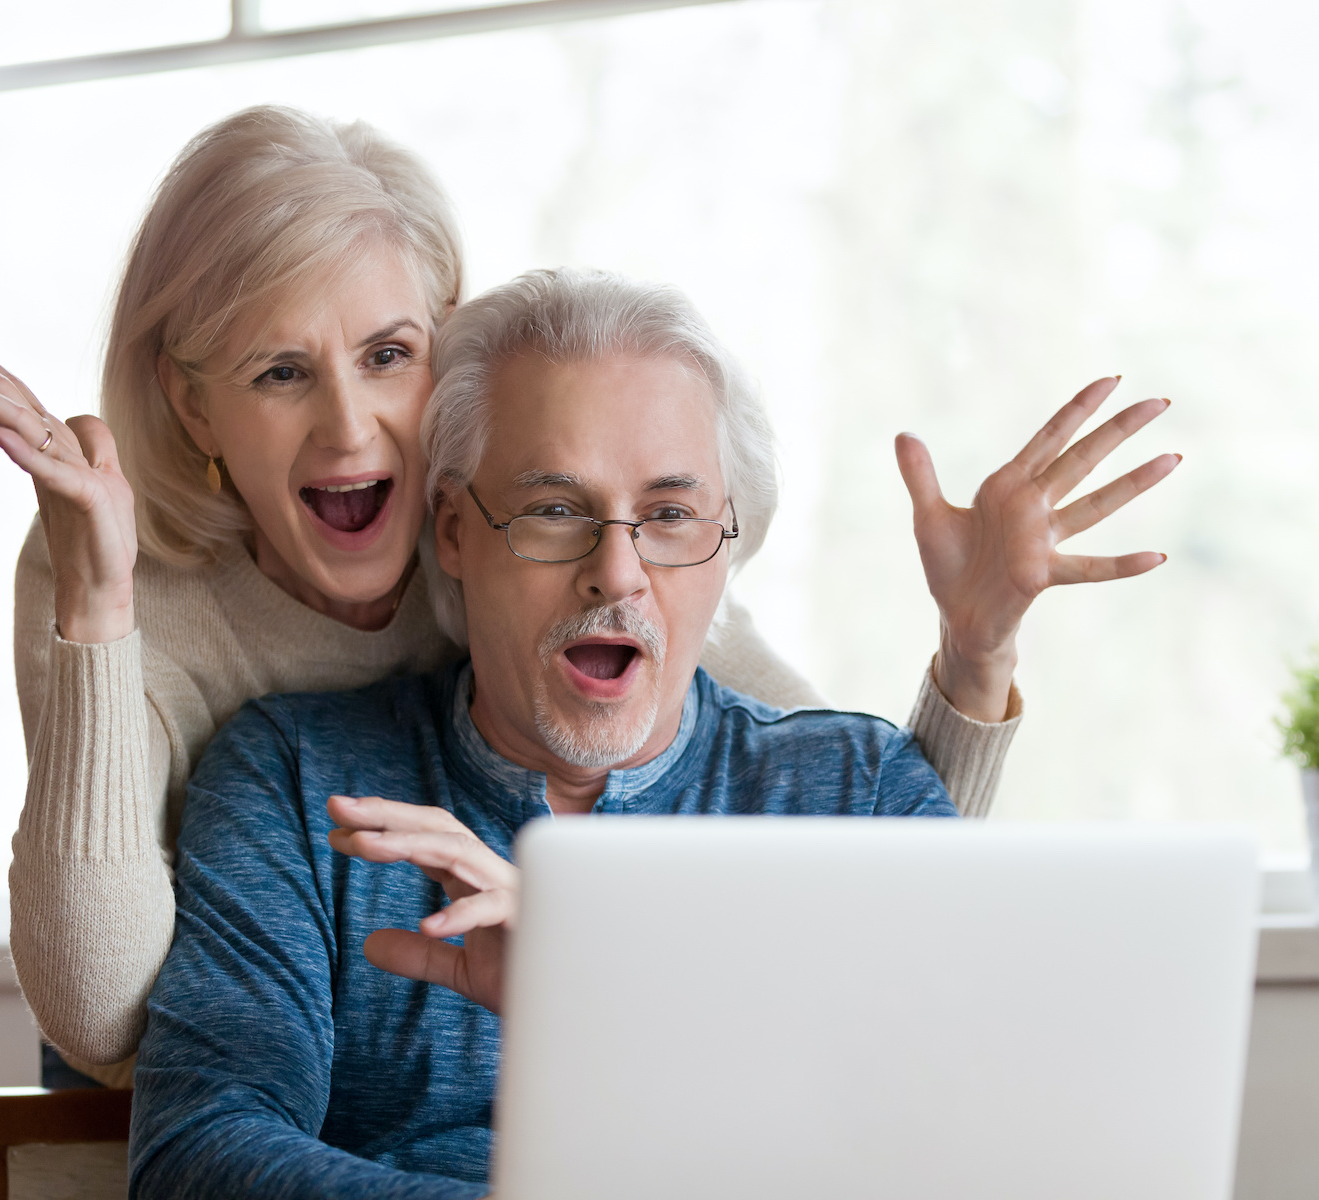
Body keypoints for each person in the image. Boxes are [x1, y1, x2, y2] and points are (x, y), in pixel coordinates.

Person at [0, 107, 1143, 1085]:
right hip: (185, 1018)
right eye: (282, 370)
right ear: (193, 406)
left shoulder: (582, 553)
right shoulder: (143, 591)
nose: (351, 425)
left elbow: (841, 837)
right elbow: (103, 1020)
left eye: (390, 356)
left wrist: (974, 659)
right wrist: (94, 606)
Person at [128, 269, 1174, 1198]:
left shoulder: (855, 792)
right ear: (453, 531)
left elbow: (968, 1145)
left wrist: (605, 997)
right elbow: (193, 1156)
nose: (617, 572)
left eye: (670, 516)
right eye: (552, 509)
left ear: (727, 544)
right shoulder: (298, 781)